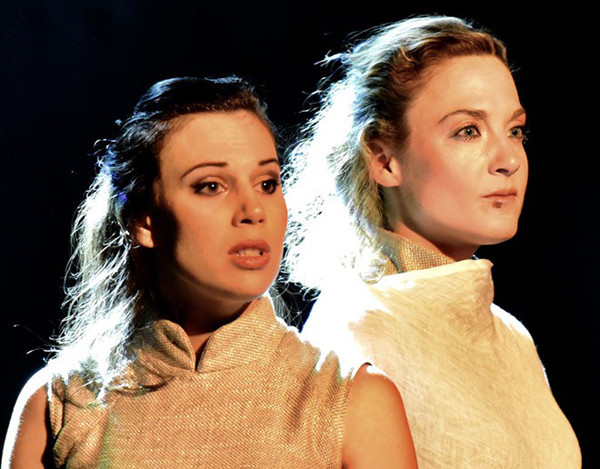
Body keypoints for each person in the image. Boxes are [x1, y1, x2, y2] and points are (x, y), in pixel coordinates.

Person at [2, 76, 417, 469]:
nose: (253, 210)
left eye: (267, 183)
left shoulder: (350, 399)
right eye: (211, 186)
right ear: (145, 221)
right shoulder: (59, 402)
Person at [284, 15, 581, 468]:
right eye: (468, 131)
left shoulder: (512, 338)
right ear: (384, 160)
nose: (508, 159)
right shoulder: (359, 329)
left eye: (515, 130)